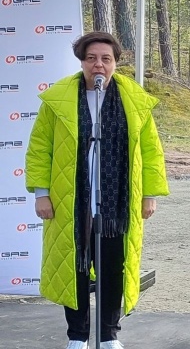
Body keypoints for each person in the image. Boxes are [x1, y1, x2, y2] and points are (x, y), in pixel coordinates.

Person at [25, 32, 169, 349]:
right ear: (82, 61)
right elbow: (39, 149)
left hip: (116, 203)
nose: (99, 65)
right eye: (92, 58)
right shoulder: (58, 100)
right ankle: (77, 336)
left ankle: (108, 335)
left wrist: (149, 193)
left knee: (113, 268)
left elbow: (151, 151)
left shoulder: (135, 101)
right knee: (73, 266)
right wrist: (41, 193)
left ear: (115, 63)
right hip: (71, 201)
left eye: (106, 59)